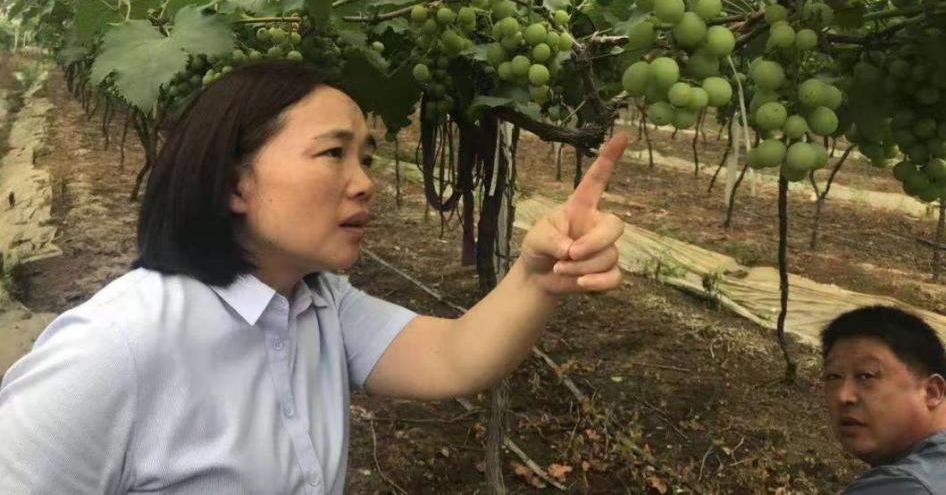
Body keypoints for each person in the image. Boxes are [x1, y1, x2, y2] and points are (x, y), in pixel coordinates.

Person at [0, 60, 628, 494]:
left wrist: (537, 274)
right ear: (234, 183)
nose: (364, 183)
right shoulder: (110, 351)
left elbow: (455, 356)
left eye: (366, 158)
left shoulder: (318, 303)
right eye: (333, 153)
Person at [821, 305, 946, 494]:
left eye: (866, 376)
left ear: (931, 392)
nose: (843, 396)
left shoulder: (905, 485)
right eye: (833, 377)